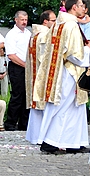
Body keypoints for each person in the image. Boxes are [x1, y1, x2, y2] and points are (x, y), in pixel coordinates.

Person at [33, 0, 90, 154]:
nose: (83, 8)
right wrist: (88, 50)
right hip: (69, 72)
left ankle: (75, 141)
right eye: (80, 6)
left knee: (75, 108)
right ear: (74, 8)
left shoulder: (60, 24)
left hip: (62, 70)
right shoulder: (71, 25)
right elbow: (73, 53)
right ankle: (49, 142)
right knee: (63, 107)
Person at [25, 10, 55, 144]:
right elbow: (45, 59)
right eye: (53, 20)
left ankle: (34, 136)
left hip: (34, 76)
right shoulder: (44, 36)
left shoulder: (34, 35)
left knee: (36, 108)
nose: (55, 23)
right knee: (41, 106)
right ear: (45, 21)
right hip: (40, 77)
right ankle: (41, 137)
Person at [3, 10, 32, 131]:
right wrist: (25, 65)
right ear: (16, 20)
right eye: (22, 20)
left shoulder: (28, 33)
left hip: (27, 66)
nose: (24, 22)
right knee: (17, 95)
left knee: (27, 95)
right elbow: (11, 55)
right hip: (17, 66)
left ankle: (24, 123)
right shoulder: (12, 34)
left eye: (26, 20)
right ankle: (10, 122)